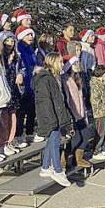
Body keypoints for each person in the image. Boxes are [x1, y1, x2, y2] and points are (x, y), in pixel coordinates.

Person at [32, 53, 72, 186]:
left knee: (52, 141)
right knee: (54, 142)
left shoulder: (54, 77)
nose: (62, 64)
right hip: (50, 117)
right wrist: (52, 120)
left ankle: (45, 167)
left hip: (56, 114)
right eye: (60, 62)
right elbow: (45, 102)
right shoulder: (45, 79)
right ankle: (57, 170)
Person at [61, 56, 93, 168]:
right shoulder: (65, 79)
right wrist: (70, 115)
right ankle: (64, 158)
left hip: (80, 113)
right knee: (76, 137)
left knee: (86, 135)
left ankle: (78, 158)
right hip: (72, 113)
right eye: (75, 64)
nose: (77, 65)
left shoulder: (78, 78)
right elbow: (67, 99)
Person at [0, 30, 24, 154]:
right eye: (7, 41)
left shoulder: (16, 55)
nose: (10, 43)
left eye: (12, 41)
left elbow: (22, 68)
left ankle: (10, 140)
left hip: (14, 89)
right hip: (4, 89)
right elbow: (1, 72)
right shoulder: (0, 56)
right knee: (4, 118)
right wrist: (8, 62)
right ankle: (2, 143)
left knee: (13, 117)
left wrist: (20, 74)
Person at [15, 26, 39, 143]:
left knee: (31, 110)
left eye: (31, 35)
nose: (31, 37)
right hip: (22, 84)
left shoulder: (30, 49)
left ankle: (30, 132)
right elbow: (20, 65)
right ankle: (18, 135)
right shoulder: (18, 48)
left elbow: (34, 63)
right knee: (21, 111)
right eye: (28, 35)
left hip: (32, 83)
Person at [90, 65, 105, 160]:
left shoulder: (103, 83)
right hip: (100, 113)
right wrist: (104, 106)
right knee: (100, 132)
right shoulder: (95, 84)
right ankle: (96, 150)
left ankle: (104, 148)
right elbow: (95, 100)